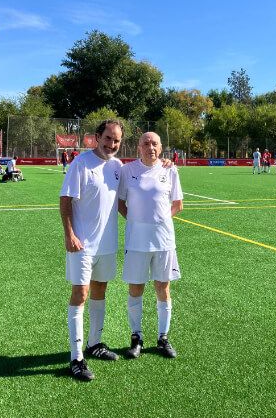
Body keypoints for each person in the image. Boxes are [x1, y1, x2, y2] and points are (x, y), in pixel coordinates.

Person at [59, 119, 125, 381]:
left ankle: (94, 343)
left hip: (107, 244)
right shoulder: (81, 164)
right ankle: (76, 358)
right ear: (97, 137)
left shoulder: (118, 166)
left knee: (100, 290)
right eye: (108, 138)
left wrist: (164, 164)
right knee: (81, 293)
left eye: (116, 140)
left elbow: (121, 201)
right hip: (82, 244)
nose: (111, 144)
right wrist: (69, 234)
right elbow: (65, 201)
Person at [117, 131, 183, 361]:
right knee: (136, 289)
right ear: (139, 147)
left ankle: (163, 338)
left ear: (161, 147)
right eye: (146, 143)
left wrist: (161, 220)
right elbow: (121, 203)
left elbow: (178, 204)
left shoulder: (169, 170)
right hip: (136, 241)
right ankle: (136, 337)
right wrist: (137, 221)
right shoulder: (128, 171)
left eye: (154, 143)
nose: (150, 147)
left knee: (163, 289)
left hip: (164, 240)